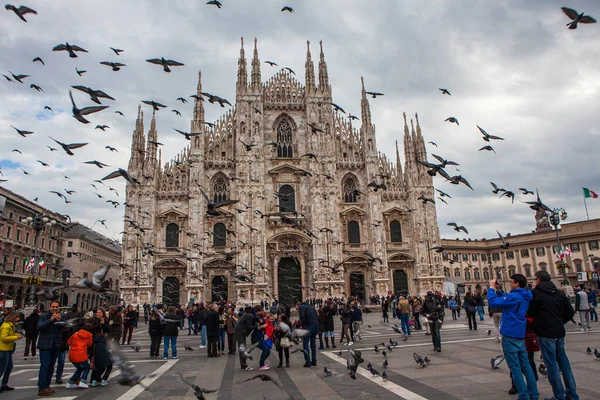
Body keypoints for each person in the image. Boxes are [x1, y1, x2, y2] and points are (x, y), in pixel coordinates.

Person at [528, 270, 579, 400]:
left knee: (551, 366)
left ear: (538, 279)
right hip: (559, 332)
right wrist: (559, 322)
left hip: (545, 333)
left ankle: (559, 396)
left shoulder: (536, 293)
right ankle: (572, 394)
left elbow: (531, 312)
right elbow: (570, 312)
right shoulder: (559, 293)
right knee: (564, 364)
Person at [488, 275, 538, 400]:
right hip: (520, 333)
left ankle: (523, 396)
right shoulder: (525, 295)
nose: (509, 283)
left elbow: (493, 302)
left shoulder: (514, 296)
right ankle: (534, 394)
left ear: (517, 284)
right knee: (526, 366)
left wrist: (491, 288)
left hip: (510, 333)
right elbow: (506, 301)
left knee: (515, 367)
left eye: (511, 282)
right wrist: (499, 291)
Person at [37, 301, 64, 396]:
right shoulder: (44, 316)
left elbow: (65, 327)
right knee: (45, 366)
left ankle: (47, 385)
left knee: (51, 366)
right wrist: (50, 320)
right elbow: (39, 327)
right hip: (45, 345)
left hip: (55, 345)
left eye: (57, 307)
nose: (55, 308)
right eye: (53, 307)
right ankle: (41, 387)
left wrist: (61, 322)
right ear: (49, 307)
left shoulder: (60, 316)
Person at [0, 311, 23, 392]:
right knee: (1, 368)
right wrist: (15, 337)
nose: (18, 319)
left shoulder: (11, 325)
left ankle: (4, 384)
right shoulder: (6, 326)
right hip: (3, 349)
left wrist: (15, 335)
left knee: (9, 367)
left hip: (8, 349)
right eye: (17, 317)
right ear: (13, 317)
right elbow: (4, 338)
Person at [66, 323, 94, 389]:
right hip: (81, 355)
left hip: (72, 355)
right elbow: (90, 345)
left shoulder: (76, 334)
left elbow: (68, 342)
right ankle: (83, 381)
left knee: (80, 368)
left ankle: (70, 382)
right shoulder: (89, 335)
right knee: (86, 367)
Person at [234, 306, 258, 371]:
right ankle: (244, 366)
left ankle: (243, 365)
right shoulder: (249, 315)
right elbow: (249, 326)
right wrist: (256, 325)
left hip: (240, 331)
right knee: (242, 348)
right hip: (240, 332)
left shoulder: (247, 314)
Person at [297, 300, 318, 368]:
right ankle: (314, 360)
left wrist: (303, 325)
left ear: (298, 305)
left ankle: (308, 362)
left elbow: (302, 316)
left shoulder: (301, 307)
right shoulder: (310, 307)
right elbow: (315, 314)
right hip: (315, 326)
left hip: (308, 326)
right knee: (313, 343)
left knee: (305, 343)